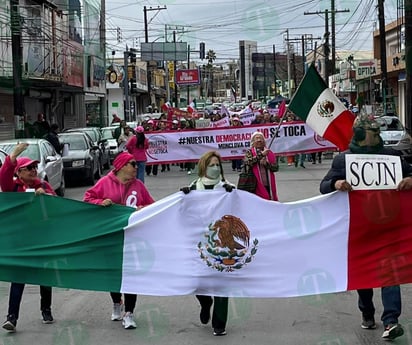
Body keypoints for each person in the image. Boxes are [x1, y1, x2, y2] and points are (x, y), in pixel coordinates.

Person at [319, 114, 412, 341]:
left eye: (377, 131)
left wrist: (411, 179)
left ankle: (391, 321)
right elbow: (323, 186)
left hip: (389, 228)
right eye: (373, 132)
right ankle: (367, 312)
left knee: (390, 273)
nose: (377, 135)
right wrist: (336, 183)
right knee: (365, 274)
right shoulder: (343, 160)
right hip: (359, 230)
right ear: (360, 134)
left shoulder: (393, 157)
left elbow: (410, 173)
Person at [83, 152, 155, 330]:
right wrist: (101, 202)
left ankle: (129, 313)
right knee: (113, 274)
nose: (135, 166)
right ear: (122, 166)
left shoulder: (138, 185)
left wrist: (141, 208)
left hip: (133, 238)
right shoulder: (104, 183)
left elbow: (152, 205)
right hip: (111, 238)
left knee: (132, 274)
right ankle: (117, 302)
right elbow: (87, 199)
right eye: (132, 164)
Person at [0, 143, 56, 332]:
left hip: (42, 240)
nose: (33, 171)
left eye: (35, 167)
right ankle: (12, 317)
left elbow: (58, 206)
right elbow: (4, 175)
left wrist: (46, 195)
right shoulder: (12, 189)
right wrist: (14, 155)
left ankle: (46, 309)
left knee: (45, 277)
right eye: (29, 168)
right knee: (18, 278)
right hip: (21, 243)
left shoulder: (44, 185)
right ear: (19, 172)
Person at [180, 151, 235, 336]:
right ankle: (205, 302)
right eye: (211, 165)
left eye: (217, 165)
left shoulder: (228, 188)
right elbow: (184, 215)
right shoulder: (193, 188)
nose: (215, 168)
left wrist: (233, 195)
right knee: (197, 281)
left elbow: (240, 210)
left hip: (222, 244)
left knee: (221, 283)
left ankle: (219, 324)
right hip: (199, 243)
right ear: (203, 167)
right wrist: (184, 199)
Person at [243, 131, 279, 201]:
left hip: (268, 184)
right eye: (256, 138)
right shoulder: (249, 152)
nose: (259, 140)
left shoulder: (269, 153)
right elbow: (248, 162)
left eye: (261, 138)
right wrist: (261, 155)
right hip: (254, 184)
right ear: (253, 141)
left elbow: (276, 168)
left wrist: (267, 164)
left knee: (270, 201)